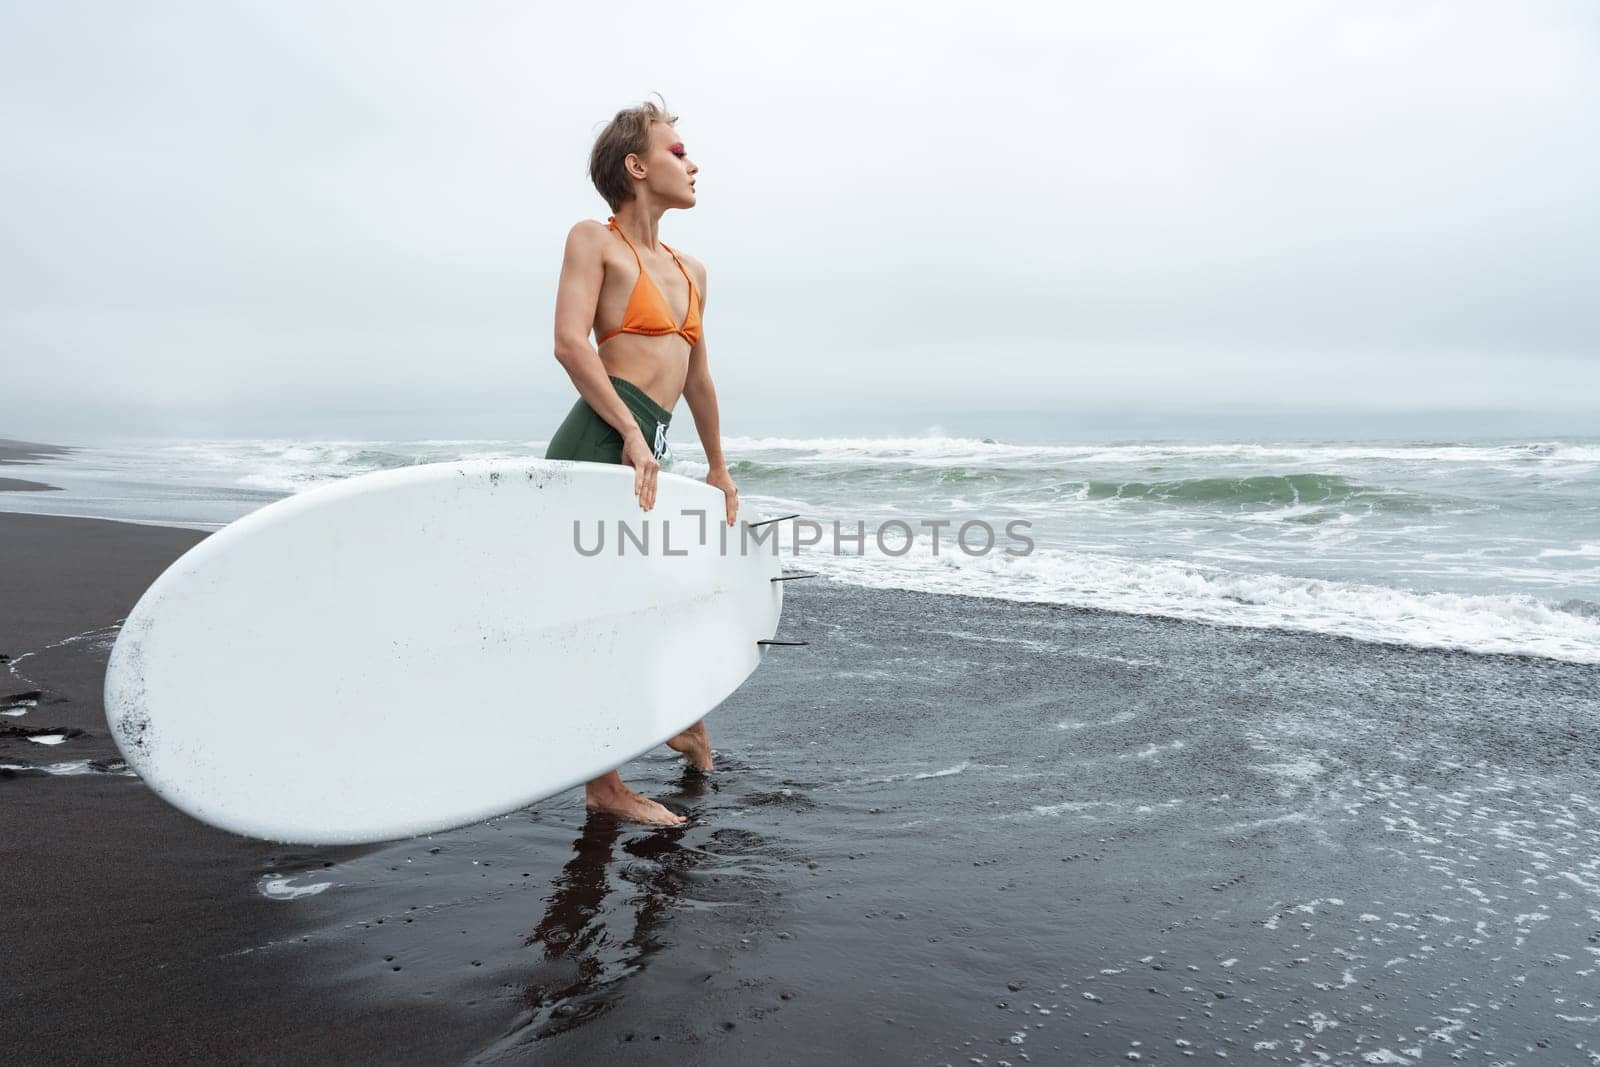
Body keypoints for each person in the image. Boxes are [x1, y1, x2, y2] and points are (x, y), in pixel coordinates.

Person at [545, 97, 740, 826]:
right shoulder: (592, 241)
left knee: (663, 590)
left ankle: (674, 718)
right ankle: (605, 784)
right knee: (606, 610)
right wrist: (627, 428)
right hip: (599, 441)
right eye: (678, 150)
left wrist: (718, 467)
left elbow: (698, 378)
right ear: (637, 166)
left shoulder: (692, 269)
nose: (692, 164)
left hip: (645, 446)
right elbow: (570, 343)